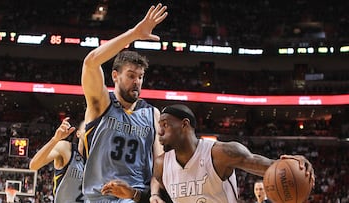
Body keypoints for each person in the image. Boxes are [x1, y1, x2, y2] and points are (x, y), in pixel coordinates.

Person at [80, 3, 168, 202]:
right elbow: (90, 63)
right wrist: (134, 34)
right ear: (115, 76)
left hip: (135, 196)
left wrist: (154, 194)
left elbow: (159, 163)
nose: (136, 81)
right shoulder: (101, 104)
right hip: (98, 197)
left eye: (140, 76)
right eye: (130, 75)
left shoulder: (152, 113)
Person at [150, 104, 315, 203]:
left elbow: (268, 166)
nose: (160, 131)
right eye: (159, 126)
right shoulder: (161, 165)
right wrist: (155, 194)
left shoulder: (221, 153)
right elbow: (158, 187)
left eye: (165, 124)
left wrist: (294, 164)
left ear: (185, 125)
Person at [29, 117, 85, 202]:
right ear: (78, 133)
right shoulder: (65, 148)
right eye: (88, 128)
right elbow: (33, 165)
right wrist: (55, 139)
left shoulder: (99, 161)